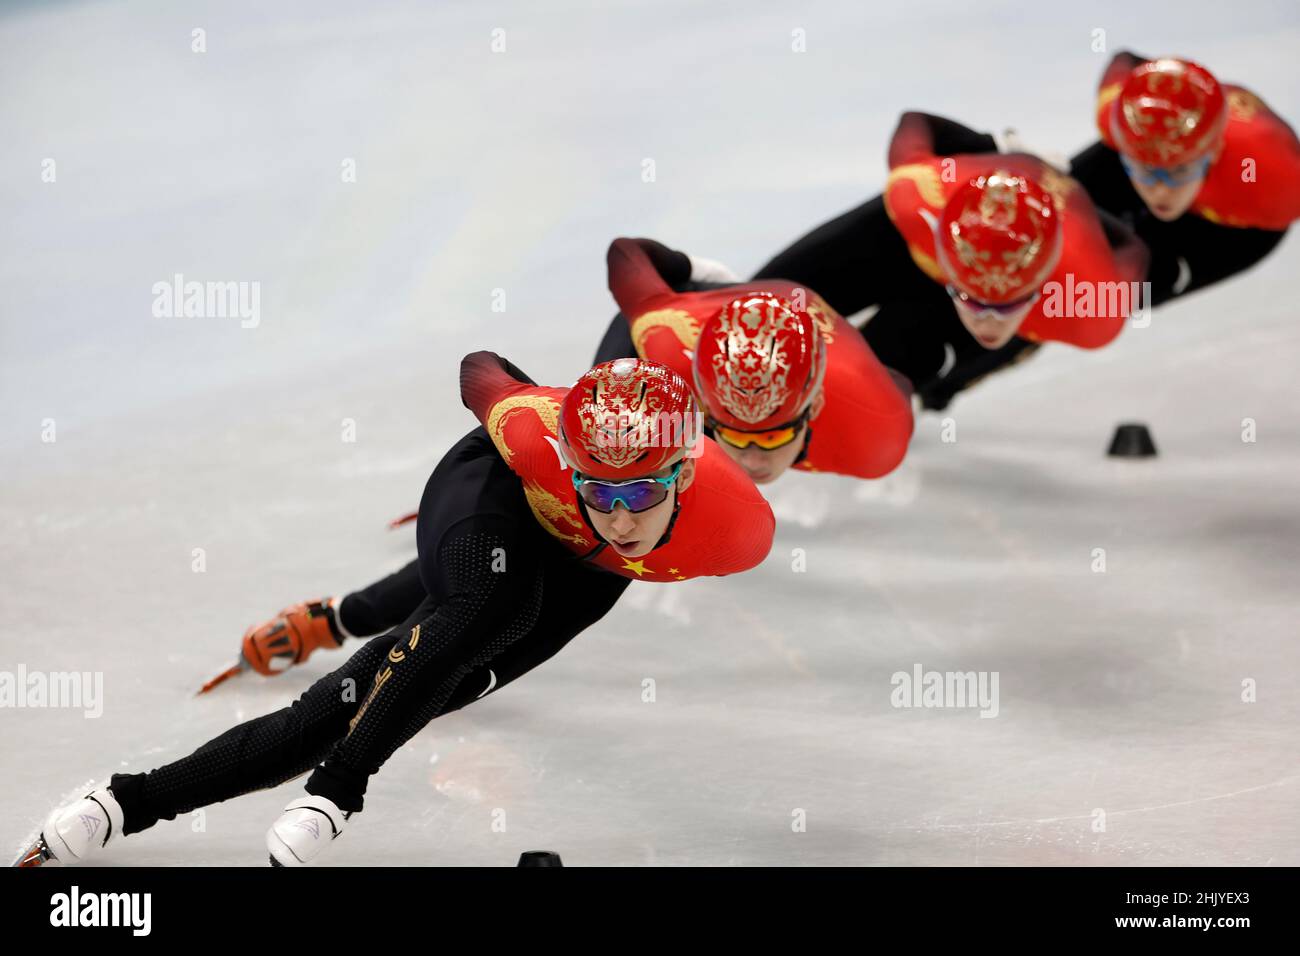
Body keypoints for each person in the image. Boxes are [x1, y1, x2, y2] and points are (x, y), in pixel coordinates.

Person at [20, 353, 774, 867]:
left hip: (550, 579)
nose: (618, 514)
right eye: (599, 491)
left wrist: (355, 622)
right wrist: (568, 407)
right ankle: (334, 790)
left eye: (639, 492)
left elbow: (561, 604)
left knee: (375, 692)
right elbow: (480, 369)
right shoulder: (536, 439)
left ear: (682, 474)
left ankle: (125, 801)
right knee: (490, 602)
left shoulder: (734, 528)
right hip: (489, 494)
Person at [754, 113, 1150, 409]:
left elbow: (1134, 249)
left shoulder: (1090, 309)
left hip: (1022, 248)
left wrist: (1078, 208)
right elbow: (916, 120)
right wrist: (987, 144)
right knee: (761, 307)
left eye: (1007, 303)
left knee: (873, 384)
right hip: (912, 238)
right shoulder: (917, 195)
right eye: (972, 299)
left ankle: (943, 388)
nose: (986, 321)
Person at [603, 237, 914, 486]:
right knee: (611, 433)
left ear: (815, 406)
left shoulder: (877, 433)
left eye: (772, 437)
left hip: (800, 301)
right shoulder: (670, 339)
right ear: (707, 411)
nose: (752, 461)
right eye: (736, 436)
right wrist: (688, 268)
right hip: (710, 304)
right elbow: (625, 254)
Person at [1071, 53, 1299, 303]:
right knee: (1063, 202)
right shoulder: (1114, 112)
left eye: (1179, 172)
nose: (1158, 191)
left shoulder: (1278, 180)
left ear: (1214, 153)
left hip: (1236, 227)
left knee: (1137, 290)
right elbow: (1125, 59)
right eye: (1142, 169)